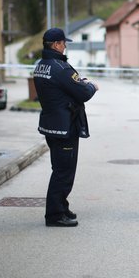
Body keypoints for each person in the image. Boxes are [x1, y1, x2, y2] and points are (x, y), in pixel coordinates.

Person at [33, 27, 99, 227]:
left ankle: (61, 206)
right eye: (63, 43)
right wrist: (91, 86)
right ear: (55, 45)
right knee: (64, 172)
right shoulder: (61, 68)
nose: (65, 46)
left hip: (51, 124)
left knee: (60, 169)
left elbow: (63, 90)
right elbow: (83, 93)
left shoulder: (41, 65)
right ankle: (54, 215)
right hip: (65, 127)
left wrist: (79, 85)